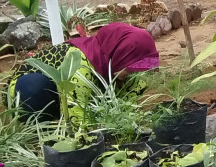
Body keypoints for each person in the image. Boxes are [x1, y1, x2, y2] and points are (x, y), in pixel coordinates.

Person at [9, 22, 160, 121]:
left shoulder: (115, 65)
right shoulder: (81, 65)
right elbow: (76, 115)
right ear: (119, 55)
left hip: (65, 97)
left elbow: (127, 105)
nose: (136, 71)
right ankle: (43, 127)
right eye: (133, 65)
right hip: (26, 93)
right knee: (33, 86)